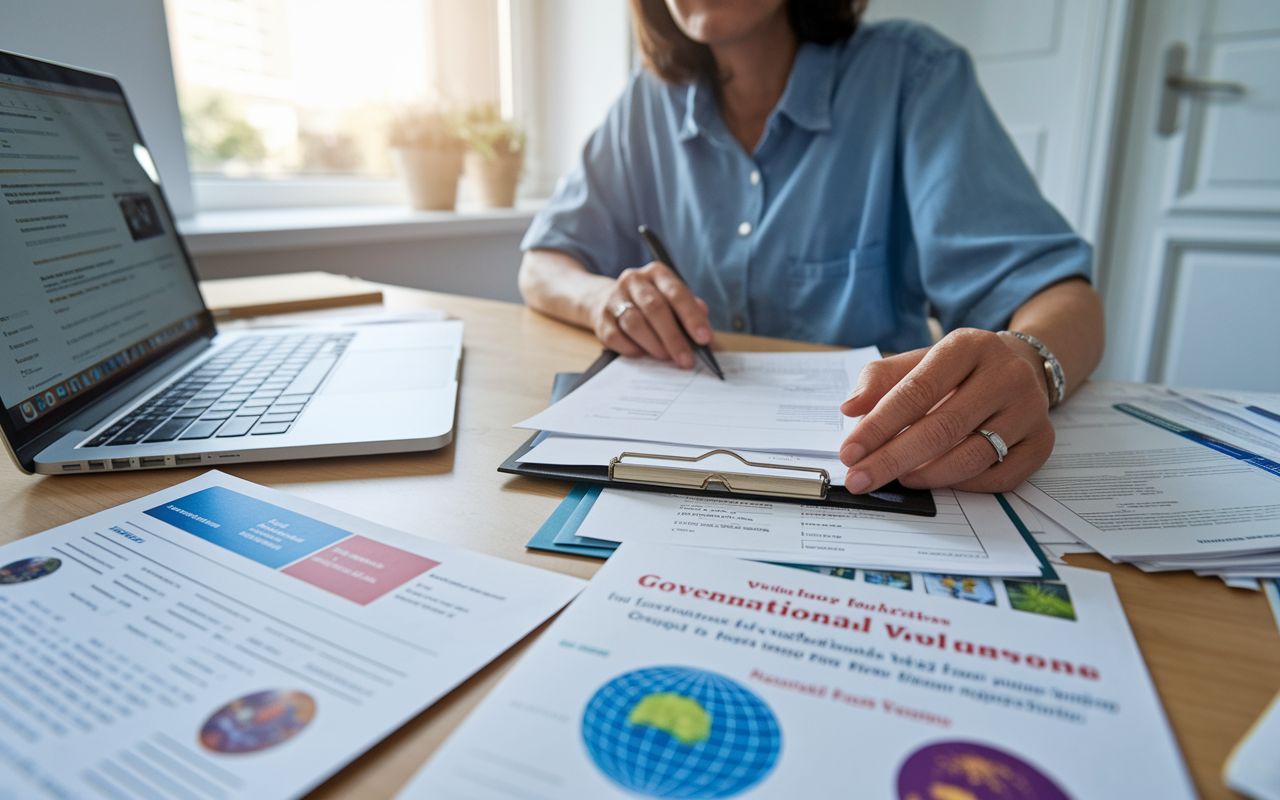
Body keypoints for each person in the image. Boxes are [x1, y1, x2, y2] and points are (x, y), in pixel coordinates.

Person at [518, 0, 1105, 495]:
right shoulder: (646, 103)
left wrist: (1029, 361)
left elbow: (1058, 295)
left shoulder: (913, 74)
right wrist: (603, 300)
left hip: (880, 473)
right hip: (677, 471)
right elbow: (543, 263)